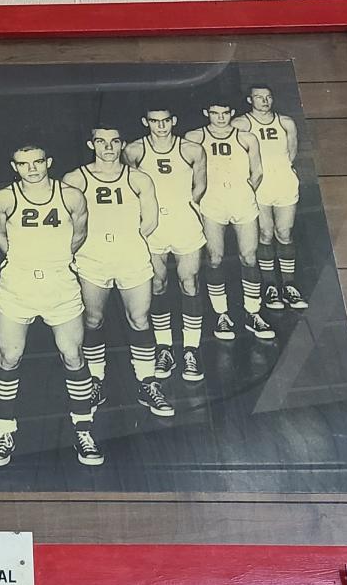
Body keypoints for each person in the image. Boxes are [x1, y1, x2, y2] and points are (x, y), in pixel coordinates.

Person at [0, 144, 101, 467]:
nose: (32, 169)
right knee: (9, 356)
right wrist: (25, 261)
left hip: (59, 283)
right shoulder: (3, 199)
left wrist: (55, 260)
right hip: (18, 284)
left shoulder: (71, 196)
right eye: (24, 164)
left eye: (38, 162)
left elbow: (79, 236)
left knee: (73, 354)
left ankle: (84, 429)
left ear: (48, 162)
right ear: (14, 166)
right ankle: (3, 431)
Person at [66, 125, 174, 421]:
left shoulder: (138, 178)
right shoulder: (75, 179)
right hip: (93, 258)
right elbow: (68, 222)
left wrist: (128, 240)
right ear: (92, 144)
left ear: (122, 144)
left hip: (131, 257)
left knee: (139, 319)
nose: (108, 147)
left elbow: (150, 221)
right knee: (92, 319)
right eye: (101, 141)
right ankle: (95, 382)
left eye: (115, 141)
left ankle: (147, 382)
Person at [124, 107, 207, 382]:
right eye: (154, 121)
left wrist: (186, 206)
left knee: (189, 283)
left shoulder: (192, 150)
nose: (160, 126)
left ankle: (191, 350)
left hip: (184, 224)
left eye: (165, 121)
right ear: (145, 122)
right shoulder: (135, 151)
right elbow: (130, 188)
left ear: (174, 120)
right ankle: (165, 349)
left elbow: (200, 185)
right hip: (153, 228)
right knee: (157, 285)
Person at [185, 101, 275, 340]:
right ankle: (221, 315)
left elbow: (258, 172)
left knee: (249, 257)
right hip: (212, 203)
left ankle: (253, 313)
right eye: (215, 113)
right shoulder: (194, 137)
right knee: (214, 258)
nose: (221, 117)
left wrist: (244, 192)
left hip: (242, 201)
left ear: (231, 113)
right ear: (206, 112)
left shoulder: (247, 138)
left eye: (225, 113)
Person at [233, 85, 308, 310]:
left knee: (284, 232)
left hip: (283, 182)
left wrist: (283, 170)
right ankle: (270, 286)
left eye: (268, 97)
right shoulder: (241, 123)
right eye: (258, 97)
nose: (264, 101)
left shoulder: (285, 122)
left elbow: (292, 152)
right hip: (260, 184)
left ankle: (289, 285)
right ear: (249, 99)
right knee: (265, 233)